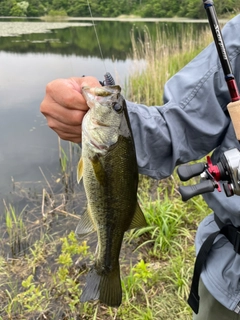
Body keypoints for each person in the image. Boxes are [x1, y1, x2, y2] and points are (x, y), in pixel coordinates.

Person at [40, 14, 240, 320]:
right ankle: (108, 268)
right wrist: (84, 112)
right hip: (232, 280)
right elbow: (176, 124)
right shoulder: (237, 37)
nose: (112, 103)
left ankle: (106, 266)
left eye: (115, 107)